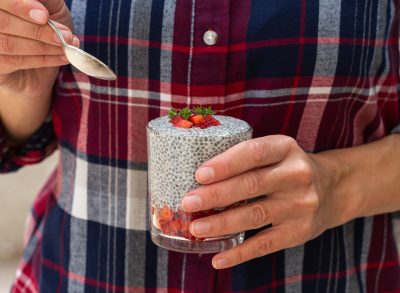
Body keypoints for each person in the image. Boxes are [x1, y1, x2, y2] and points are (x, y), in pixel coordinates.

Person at [1, 0, 399, 292]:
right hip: (82, 271)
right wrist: (24, 91)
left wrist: (336, 185)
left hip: (326, 275)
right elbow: (19, 138)